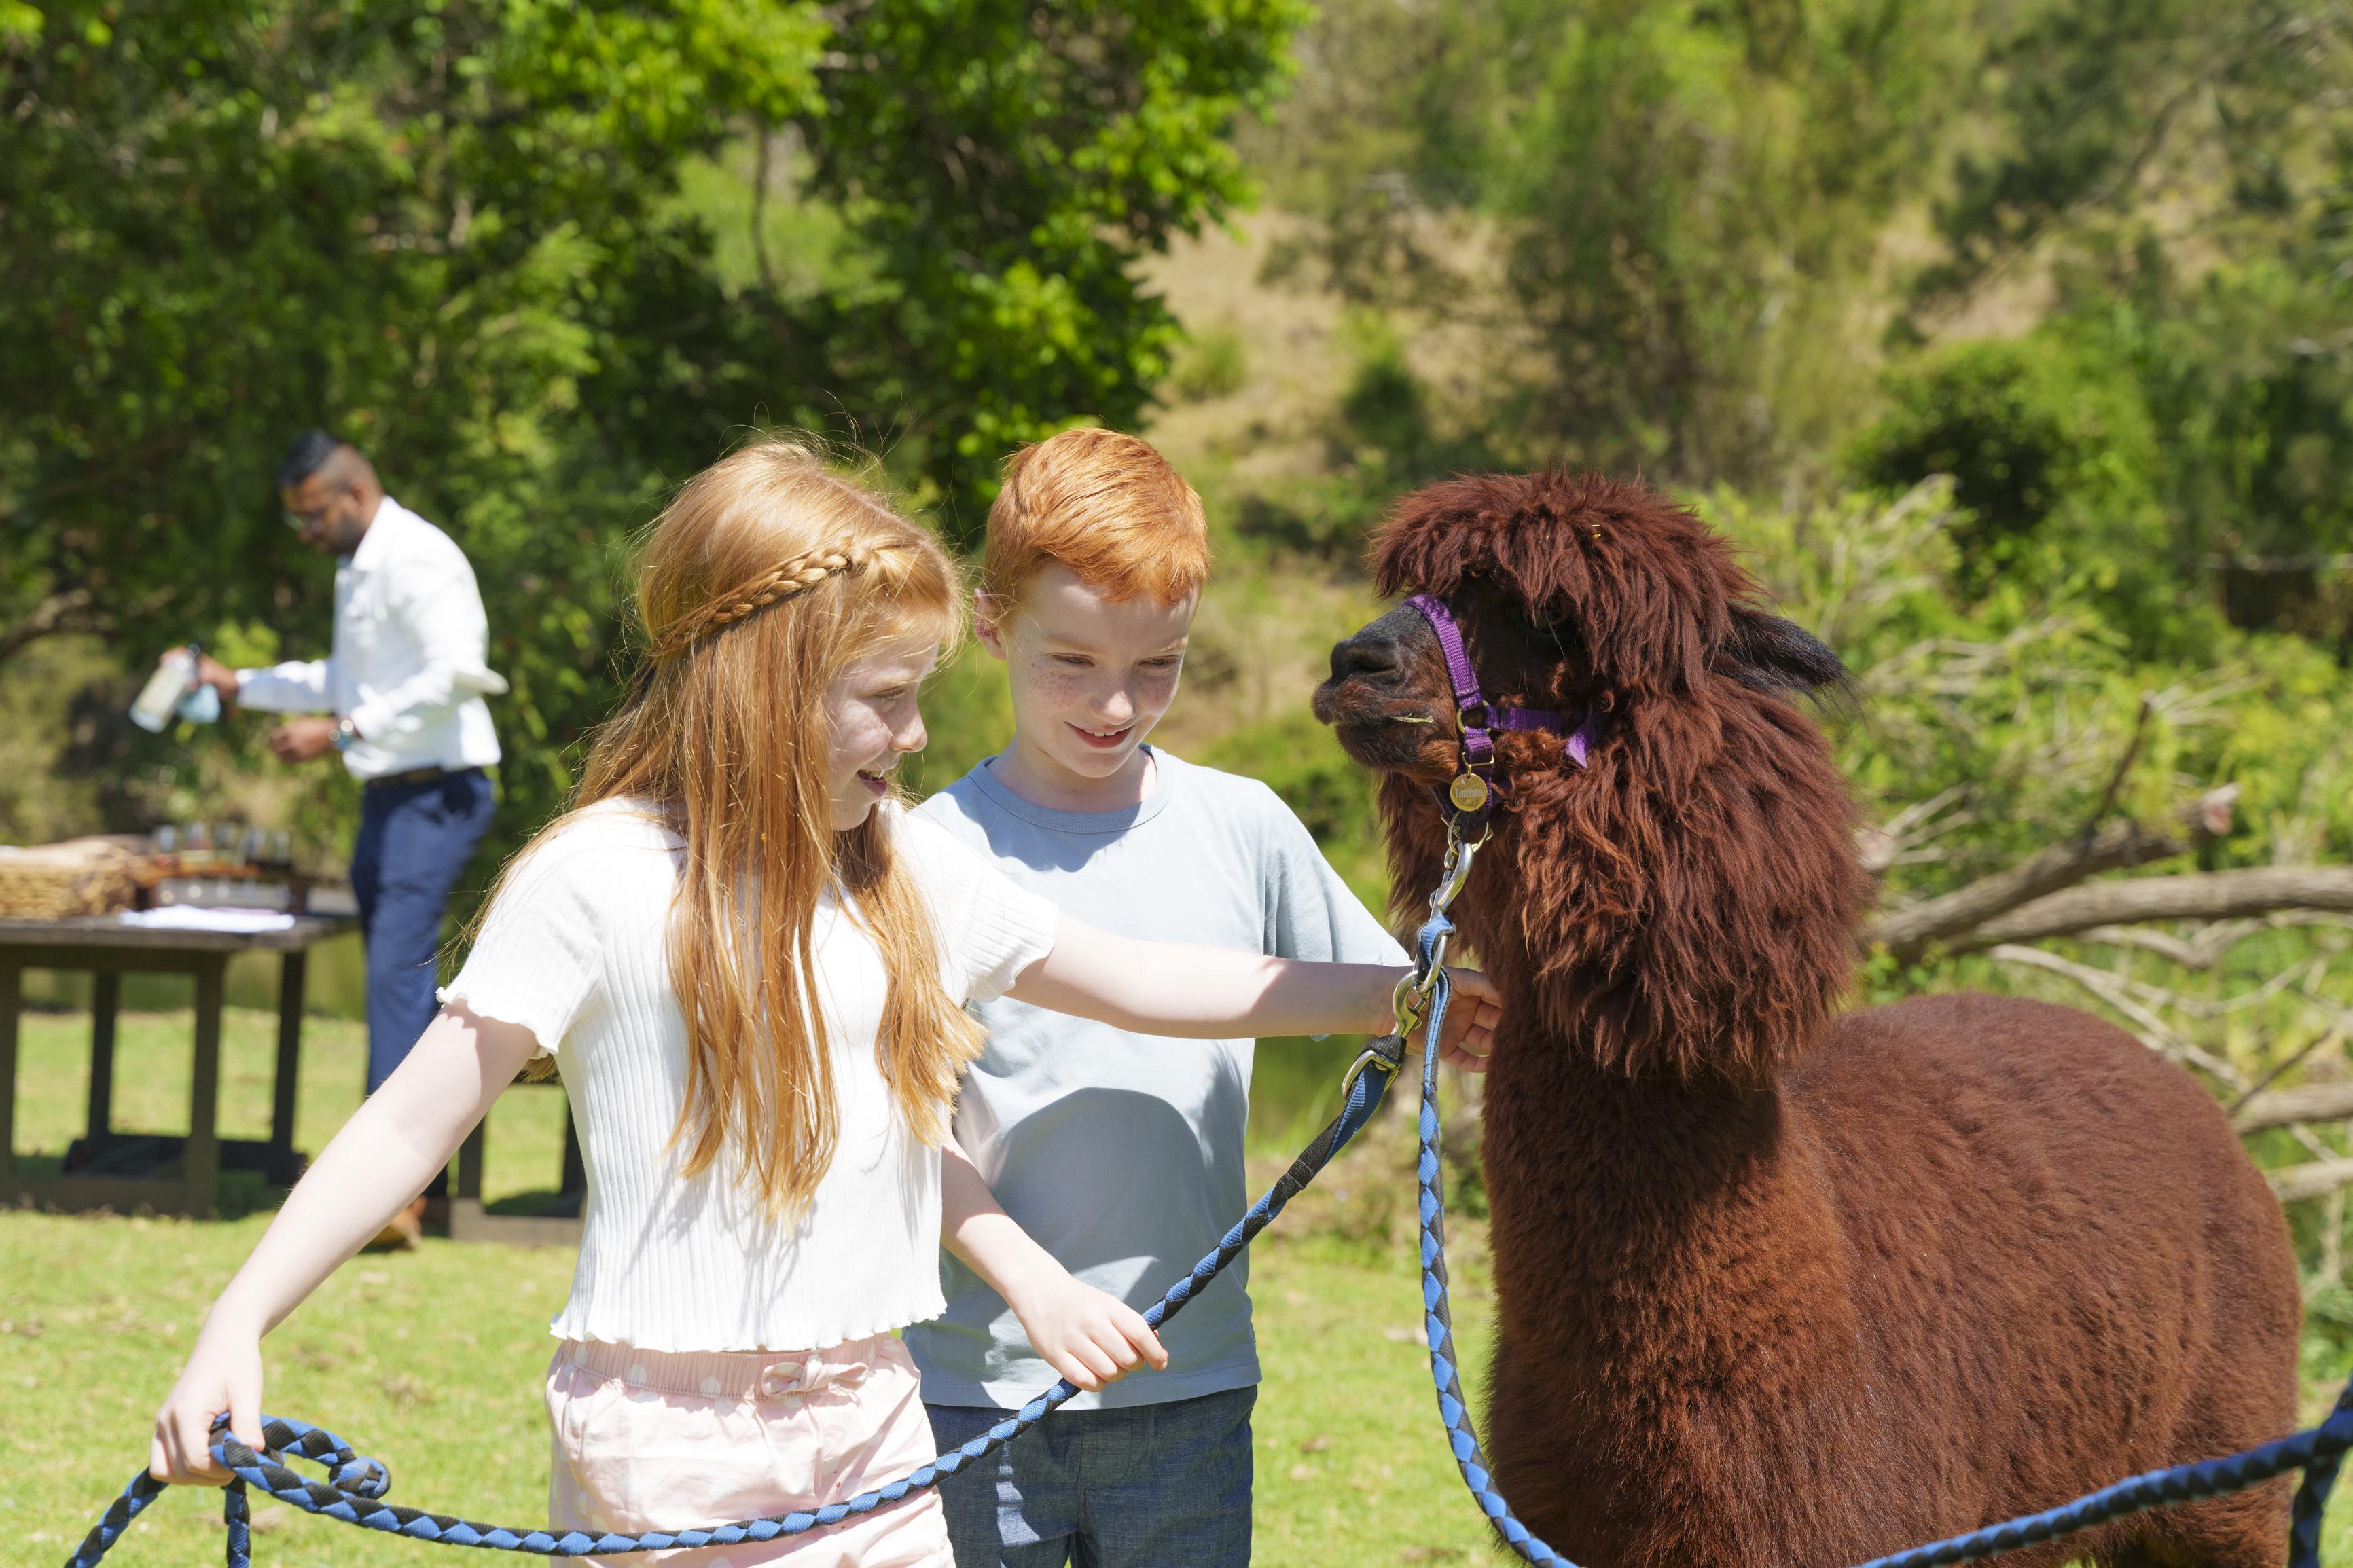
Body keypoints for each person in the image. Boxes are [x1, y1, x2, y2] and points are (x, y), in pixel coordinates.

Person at [147, 440, 1498, 1568]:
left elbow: (1142, 978)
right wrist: (236, 1316)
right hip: (662, 1435)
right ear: (773, 684)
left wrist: (1418, 985)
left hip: (876, 1408)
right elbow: (411, 1119)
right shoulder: (593, 877)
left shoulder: (899, 862)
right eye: (887, 699)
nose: (917, 736)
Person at [909, 429, 1458, 1568]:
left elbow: (1392, 1001)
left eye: (1156, 663)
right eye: (1071, 660)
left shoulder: (1242, 824)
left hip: (1190, 1384)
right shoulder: (925, 851)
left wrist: (1474, 981)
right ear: (990, 621)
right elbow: (898, 1129)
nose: (1115, 702)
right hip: (972, 1391)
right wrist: (1039, 1290)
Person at [185, 431, 505, 1247]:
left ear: (353, 494)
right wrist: (242, 685)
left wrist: (341, 730)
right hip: (388, 795)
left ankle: (394, 1192)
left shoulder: (419, 557)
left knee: (397, 976)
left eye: (311, 516)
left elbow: (456, 672)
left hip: (440, 790)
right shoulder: (358, 568)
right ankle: (391, 1173)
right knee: (394, 978)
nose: (306, 533)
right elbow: (343, 678)